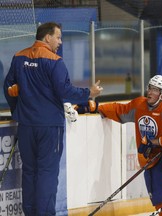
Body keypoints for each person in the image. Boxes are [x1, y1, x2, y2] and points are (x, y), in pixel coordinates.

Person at [3, 22, 103, 216]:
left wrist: (18, 112)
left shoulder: (18, 57)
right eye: (58, 37)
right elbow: (65, 91)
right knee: (47, 174)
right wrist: (88, 92)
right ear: (47, 37)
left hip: (26, 126)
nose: (60, 42)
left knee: (30, 172)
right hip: (49, 127)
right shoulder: (55, 60)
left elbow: (8, 89)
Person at [97, 75, 162, 216]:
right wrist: (97, 108)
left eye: (155, 90)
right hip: (149, 158)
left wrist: (154, 142)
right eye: (150, 88)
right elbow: (119, 110)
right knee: (160, 201)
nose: (150, 92)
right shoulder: (139, 105)